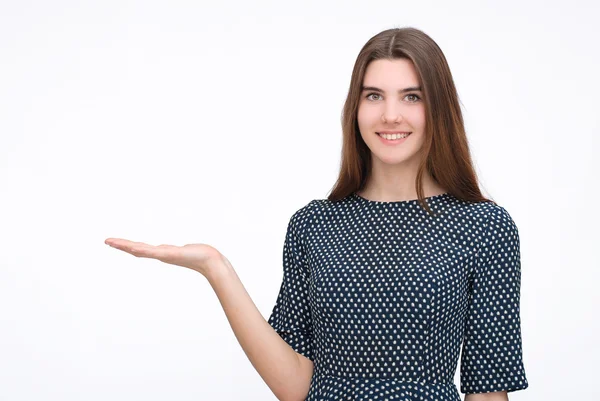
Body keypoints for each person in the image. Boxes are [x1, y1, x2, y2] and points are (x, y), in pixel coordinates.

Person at [105, 27, 529, 401]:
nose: (390, 115)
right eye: (374, 96)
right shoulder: (313, 224)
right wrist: (216, 268)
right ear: (355, 108)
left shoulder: (484, 227)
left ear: (438, 107)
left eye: (412, 96)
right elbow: (294, 386)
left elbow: (488, 390)